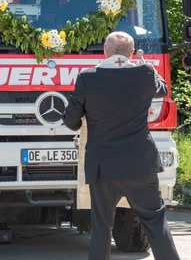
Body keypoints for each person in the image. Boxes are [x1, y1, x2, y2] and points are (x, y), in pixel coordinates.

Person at [63, 31, 180, 260]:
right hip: (140, 164)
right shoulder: (145, 73)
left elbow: (70, 121)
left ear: (105, 51)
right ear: (132, 53)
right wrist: (150, 68)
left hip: (103, 166)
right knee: (155, 222)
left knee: (102, 227)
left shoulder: (87, 78)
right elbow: (163, 89)